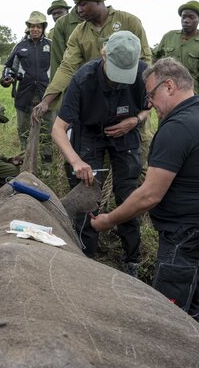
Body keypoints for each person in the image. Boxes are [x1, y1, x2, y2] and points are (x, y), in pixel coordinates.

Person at [91, 58, 199, 321]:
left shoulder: (178, 127)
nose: (149, 104)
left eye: (151, 94)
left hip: (186, 236)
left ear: (168, 86)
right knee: (189, 305)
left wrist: (107, 220)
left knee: (168, 318)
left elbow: (149, 195)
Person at [51, 30, 149, 277]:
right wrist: (76, 161)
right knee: (87, 190)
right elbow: (58, 129)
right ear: (104, 55)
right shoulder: (83, 79)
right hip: (90, 132)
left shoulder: (144, 75)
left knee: (129, 193)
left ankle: (132, 260)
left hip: (126, 132)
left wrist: (134, 120)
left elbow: (149, 109)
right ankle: (87, 255)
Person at [33, 0, 151, 119]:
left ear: (98, 0)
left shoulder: (129, 22)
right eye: (76, 5)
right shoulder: (79, 32)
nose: (78, 10)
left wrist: (141, 112)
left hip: (128, 97)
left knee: (135, 139)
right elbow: (67, 67)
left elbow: (145, 61)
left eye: (83, 4)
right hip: (95, 101)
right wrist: (46, 101)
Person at [0, 11, 53, 163]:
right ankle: (26, 163)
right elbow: (8, 67)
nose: (35, 29)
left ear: (43, 28)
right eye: (32, 26)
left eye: (38, 26)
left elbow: (60, 68)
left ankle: (46, 166)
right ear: (28, 28)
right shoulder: (20, 46)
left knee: (46, 132)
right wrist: (5, 79)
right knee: (24, 131)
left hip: (46, 96)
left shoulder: (51, 45)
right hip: (23, 96)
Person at [153, 0, 199, 100]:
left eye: (191, 17)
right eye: (184, 17)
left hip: (189, 98)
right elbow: (154, 59)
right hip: (166, 94)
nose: (186, 20)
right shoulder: (169, 36)